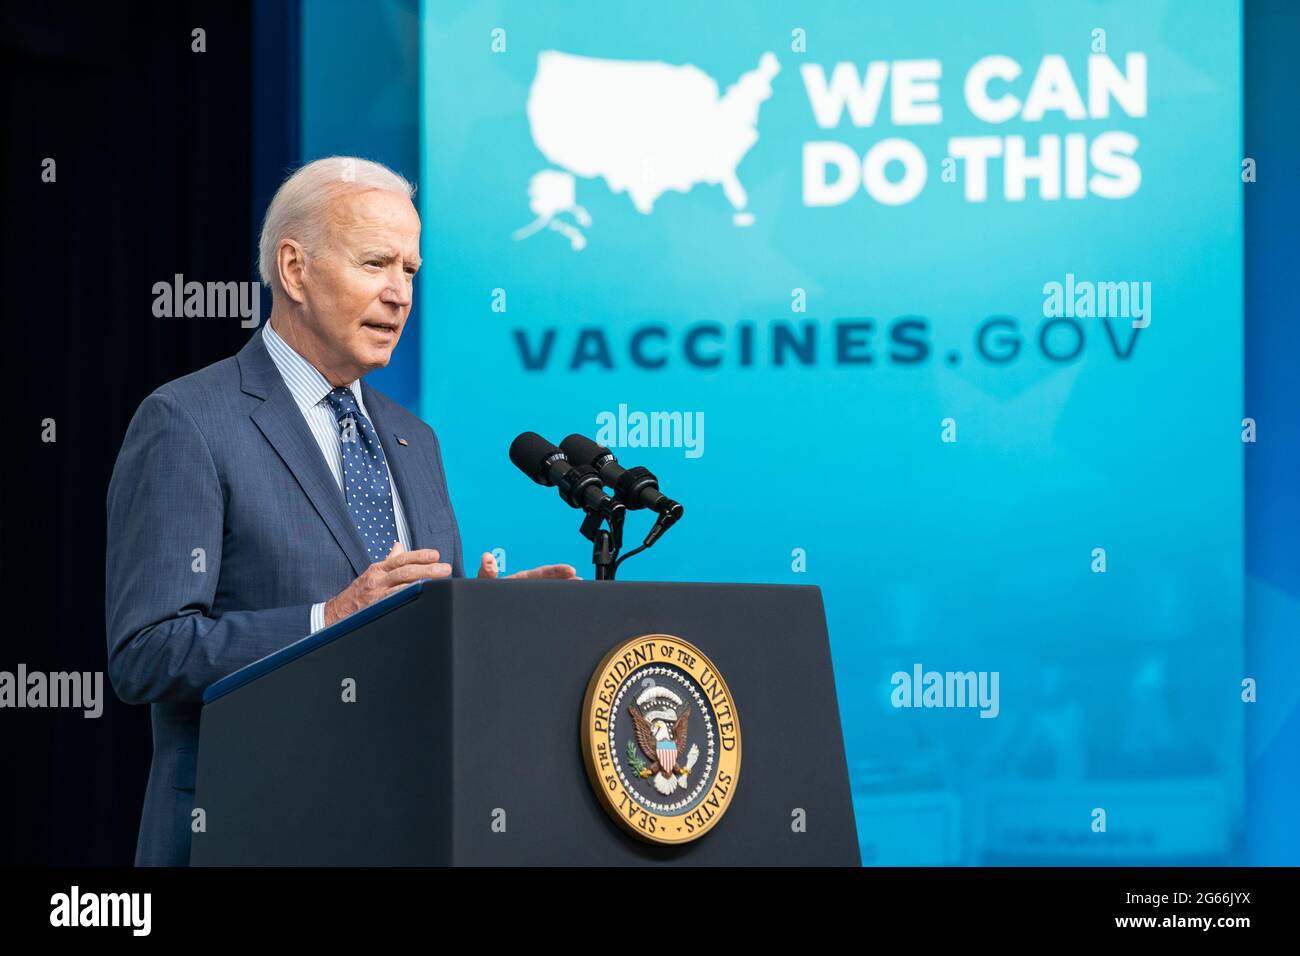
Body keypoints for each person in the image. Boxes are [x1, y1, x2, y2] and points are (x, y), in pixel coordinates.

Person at [105, 156, 576, 866]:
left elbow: (404, 638)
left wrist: (473, 623)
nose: (399, 295)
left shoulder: (416, 440)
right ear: (294, 271)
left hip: (405, 829)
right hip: (247, 832)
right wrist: (330, 619)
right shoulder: (188, 422)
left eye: (411, 271)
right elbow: (146, 655)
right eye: (377, 263)